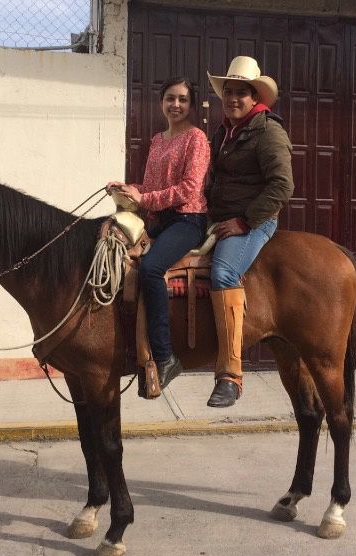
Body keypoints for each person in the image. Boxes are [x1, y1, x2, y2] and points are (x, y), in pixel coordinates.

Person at [107, 77, 210, 390]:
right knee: (110, 249)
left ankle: (165, 356)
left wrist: (144, 199)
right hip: (158, 220)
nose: (175, 105)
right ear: (161, 102)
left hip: (187, 220)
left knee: (151, 269)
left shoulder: (197, 138)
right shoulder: (158, 140)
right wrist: (128, 189)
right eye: (170, 98)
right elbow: (150, 188)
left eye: (182, 99)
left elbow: (189, 189)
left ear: (190, 105)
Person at [205, 56, 294, 407]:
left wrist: (244, 221)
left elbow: (282, 186)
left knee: (224, 271)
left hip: (254, 221)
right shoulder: (224, 131)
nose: (234, 99)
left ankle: (230, 375)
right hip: (218, 216)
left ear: (255, 96)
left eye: (242, 92)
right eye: (229, 92)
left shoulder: (268, 131)